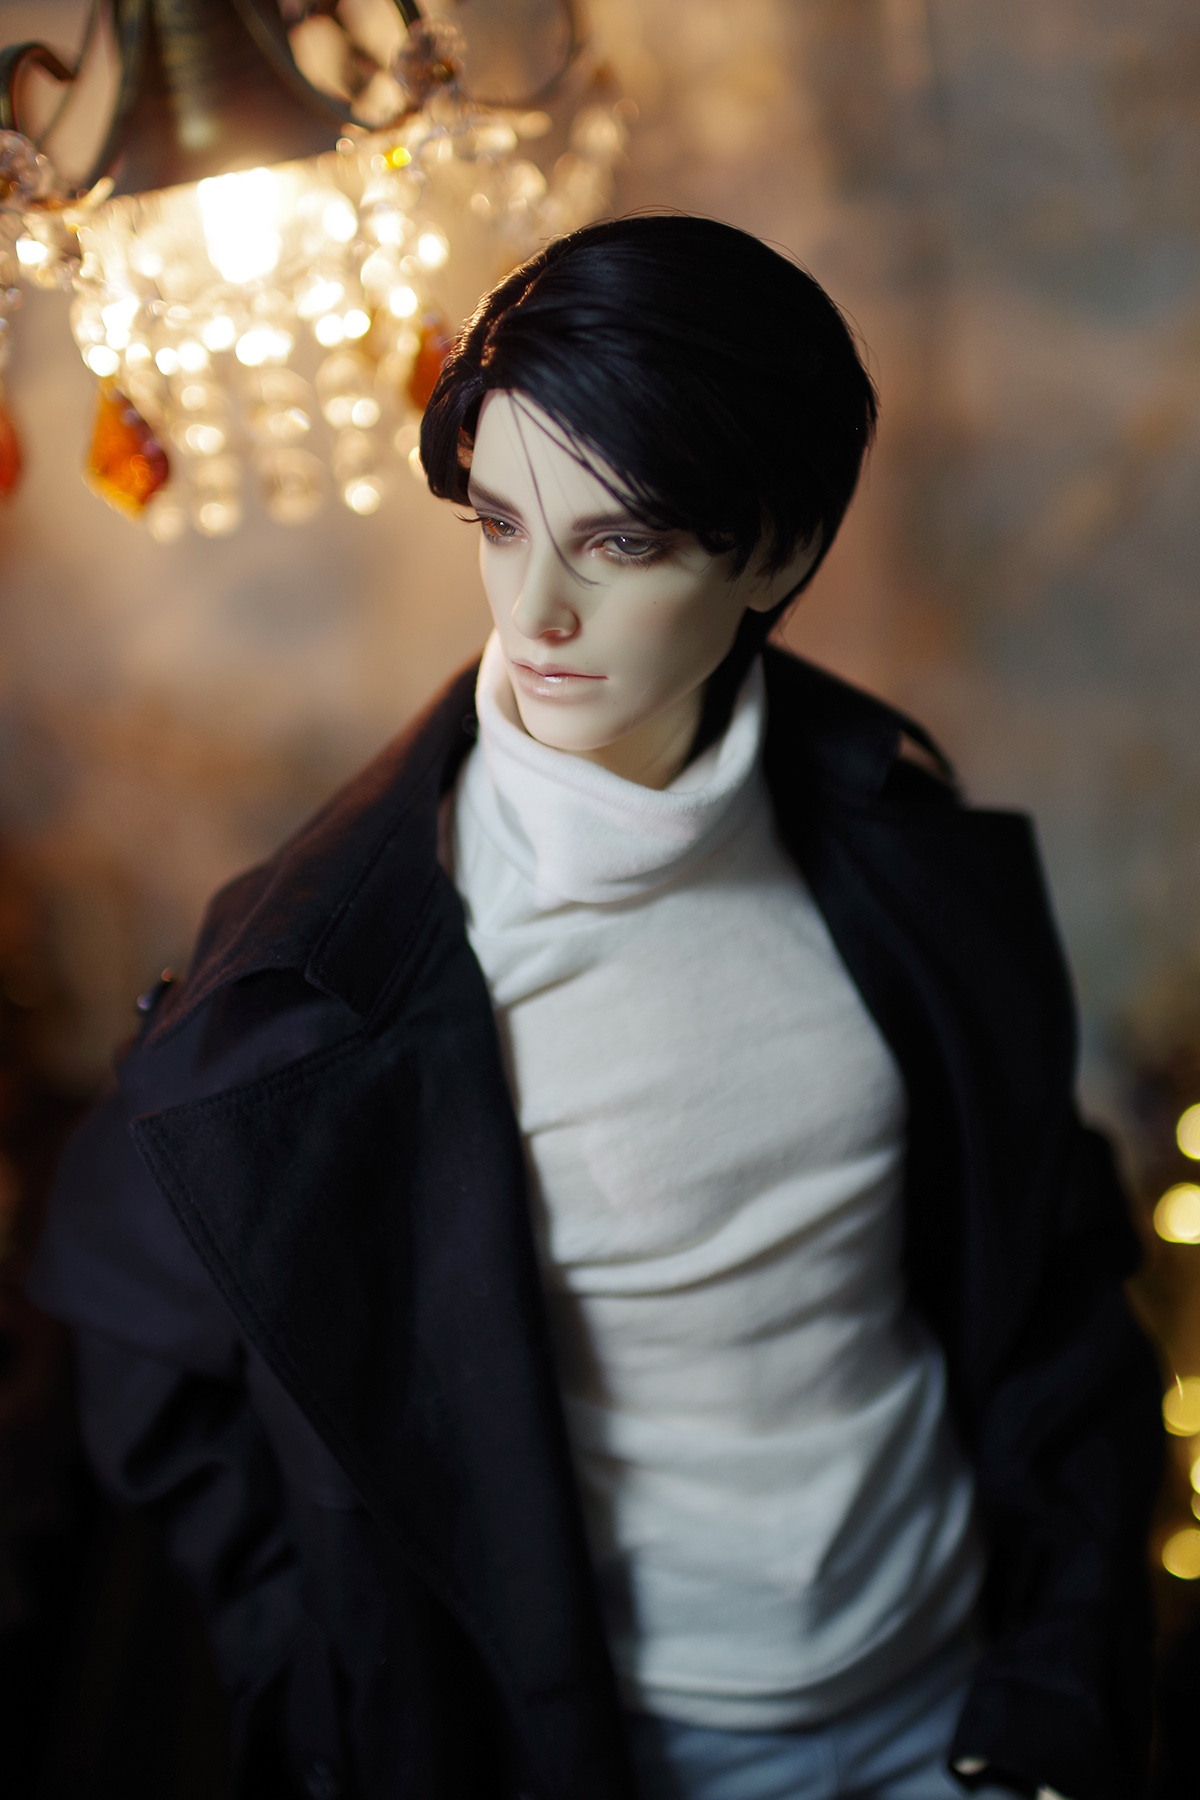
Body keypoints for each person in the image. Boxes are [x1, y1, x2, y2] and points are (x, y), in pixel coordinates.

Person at [31, 216, 1161, 1800]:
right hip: (619, 1755)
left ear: (775, 554)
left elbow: (1050, 1274)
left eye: (620, 544)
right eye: (501, 525)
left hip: (965, 1701)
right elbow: (133, 1325)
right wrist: (332, 1678)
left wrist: (1058, 1671)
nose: (536, 611)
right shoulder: (320, 982)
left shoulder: (909, 852)